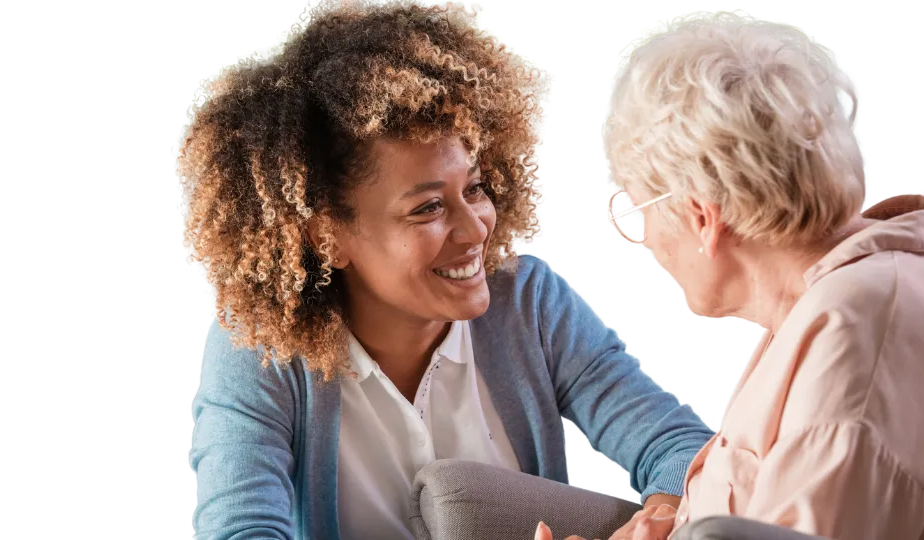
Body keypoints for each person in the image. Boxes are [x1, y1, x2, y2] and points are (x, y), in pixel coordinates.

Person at [180, 1, 714, 538]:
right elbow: (238, 529)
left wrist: (657, 522)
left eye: (475, 189)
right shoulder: (263, 347)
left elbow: (680, 448)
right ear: (328, 237)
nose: (477, 229)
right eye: (428, 208)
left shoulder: (528, 302)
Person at [540, 10, 924, 540]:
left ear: (702, 216)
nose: (646, 241)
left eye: (638, 215)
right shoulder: (840, 296)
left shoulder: (860, 340)